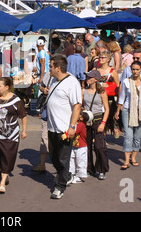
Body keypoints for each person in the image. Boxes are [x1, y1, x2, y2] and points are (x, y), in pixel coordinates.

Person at [45, 55, 81, 200]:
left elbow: (77, 106)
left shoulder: (72, 82)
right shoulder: (54, 80)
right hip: (52, 127)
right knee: (53, 156)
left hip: (65, 129)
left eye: (51, 66)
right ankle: (67, 175)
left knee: (63, 158)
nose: (50, 68)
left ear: (58, 68)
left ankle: (60, 187)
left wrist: (72, 126)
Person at [0, 77, 27, 194]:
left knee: (8, 156)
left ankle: (2, 182)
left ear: (7, 87)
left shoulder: (16, 100)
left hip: (11, 134)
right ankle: (4, 174)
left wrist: (24, 130)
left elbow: (23, 116)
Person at [115, 61, 141, 170]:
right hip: (127, 110)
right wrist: (118, 110)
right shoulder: (126, 82)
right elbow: (122, 97)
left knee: (137, 136)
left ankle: (133, 158)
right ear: (130, 70)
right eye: (133, 69)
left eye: (137, 69)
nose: (135, 71)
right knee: (128, 136)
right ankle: (126, 161)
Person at [82, 70, 110, 180]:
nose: (87, 79)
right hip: (86, 119)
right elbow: (79, 104)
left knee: (99, 146)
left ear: (95, 79)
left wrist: (103, 123)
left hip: (98, 119)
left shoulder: (102, 92)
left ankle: (102, 169)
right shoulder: (83, 91)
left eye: (89, 77)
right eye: (87, 77)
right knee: (86, 146)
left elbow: (107, 109)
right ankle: (89, 169)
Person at [31, 70, 51, 173]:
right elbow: (41, 86)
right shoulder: (48, 74)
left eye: (52, 66)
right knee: (44, 138)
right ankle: (42, 164)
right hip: (46, 113)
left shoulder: (68, 77)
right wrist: (44, 90)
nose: (50, 68)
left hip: (59, 116)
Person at [97, 49, 120, 137]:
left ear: (108, 59)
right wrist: (101, 84)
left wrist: (118, 102)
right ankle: (100, 138)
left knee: (107, 119)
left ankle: (103, 137)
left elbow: (118, 86)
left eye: (103, 57)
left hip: (109, 99)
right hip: (98, 98)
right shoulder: (96, 70)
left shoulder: (113, 72)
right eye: (100, 57)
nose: (100, 59)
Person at [69, 114, 87, 184]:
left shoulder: (81, 124)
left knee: (80, 162)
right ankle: (71, 174)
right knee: (71, 160)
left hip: (81, 147)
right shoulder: (76, 123)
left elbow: (74, 131)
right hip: (74, 145)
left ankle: (79, 176)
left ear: (82, 118)